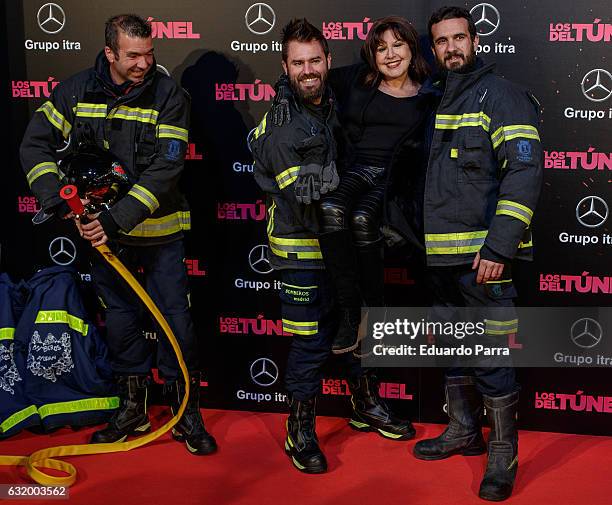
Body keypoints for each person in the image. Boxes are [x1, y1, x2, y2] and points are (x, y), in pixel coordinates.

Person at [19, 14, 216, 455]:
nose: (144, 63)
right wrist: (59, 202)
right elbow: (35, 145)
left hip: (158, 233)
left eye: (149, 53)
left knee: (175, 322)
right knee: (121, 321)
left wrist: (111, 220)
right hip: (103, 241)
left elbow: (165, 171)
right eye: (133, 55)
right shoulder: (74, 91)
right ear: (110, 53)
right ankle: (132, 407)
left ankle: (186, 411)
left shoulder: (169, 96)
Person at [252, 18, 415, 475]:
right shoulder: (282, 126)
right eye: (297, 63)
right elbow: (310, 209)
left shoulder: (334, 104)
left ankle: (364, 405)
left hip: (344, 251)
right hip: (305, 253)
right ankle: (299, 429)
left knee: (362, 330)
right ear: (284, 66)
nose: (307, 70)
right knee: (311, 344)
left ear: (327, 61)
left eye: (314, 61)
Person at [412, 6, 543, 502]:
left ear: (475, 40)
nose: (451, 49)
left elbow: (524, 174)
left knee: (489, 354)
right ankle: (463, 430)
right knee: (452, 347)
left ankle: (502, 452)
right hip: (441, 260)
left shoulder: (503, 97)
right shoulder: (435, 101)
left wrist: (499, 247)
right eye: (441, 41)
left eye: (458, 38)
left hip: (483, 261)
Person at [273, 17, 431, 355]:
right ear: (371, 55)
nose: (390, 55)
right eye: (380, 47)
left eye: (397, 45)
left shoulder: (431, 91)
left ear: (411, 49)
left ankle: (375, 311)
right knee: (330, 208)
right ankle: (349, 311)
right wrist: (283, 98)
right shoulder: (357, 80)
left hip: (393, 178)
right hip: (357, 170)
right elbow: (308, 75)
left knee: (361, 219)